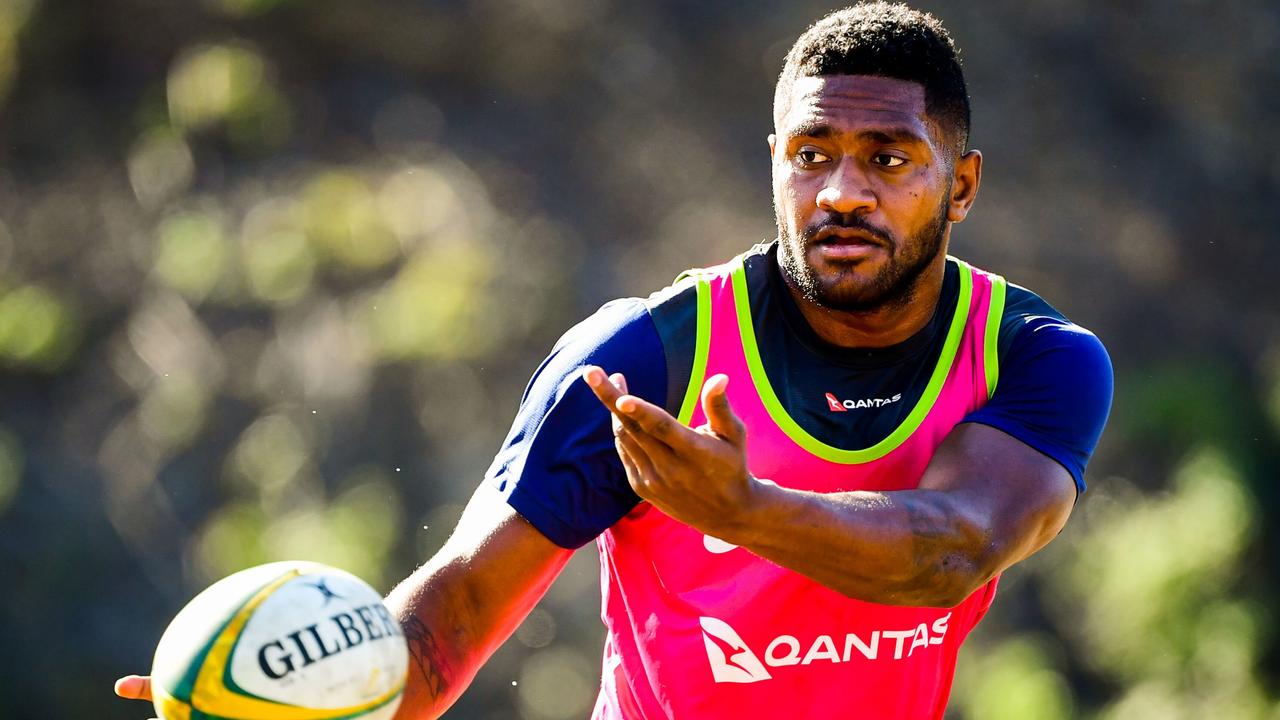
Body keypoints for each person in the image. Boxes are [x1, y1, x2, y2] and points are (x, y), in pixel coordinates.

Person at [116, 3, 1113, 718]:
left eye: (887, 158)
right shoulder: (643, 356)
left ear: (961, 184)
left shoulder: (1033, 360)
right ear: (774, 162)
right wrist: (289, 700)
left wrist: (743, 514)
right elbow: (450, 619)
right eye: (809, 154)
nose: (840, 192)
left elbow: (952, 549)